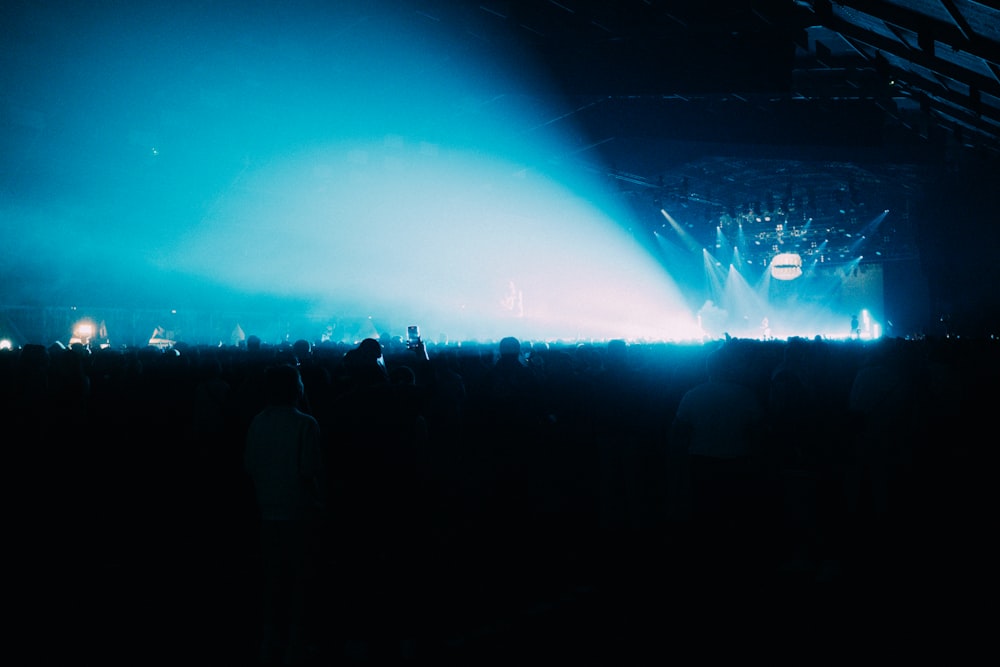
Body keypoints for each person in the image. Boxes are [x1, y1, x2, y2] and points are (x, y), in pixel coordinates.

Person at [244, 363, 328, 666]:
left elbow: (250, 466)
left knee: (272, 578)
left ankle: (268, 639)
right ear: (298, 388)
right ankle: (294, 641)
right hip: (299, 511)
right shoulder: (306, 423)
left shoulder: (257, 421)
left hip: (267, 508)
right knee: (299, 579)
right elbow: (310, 471)